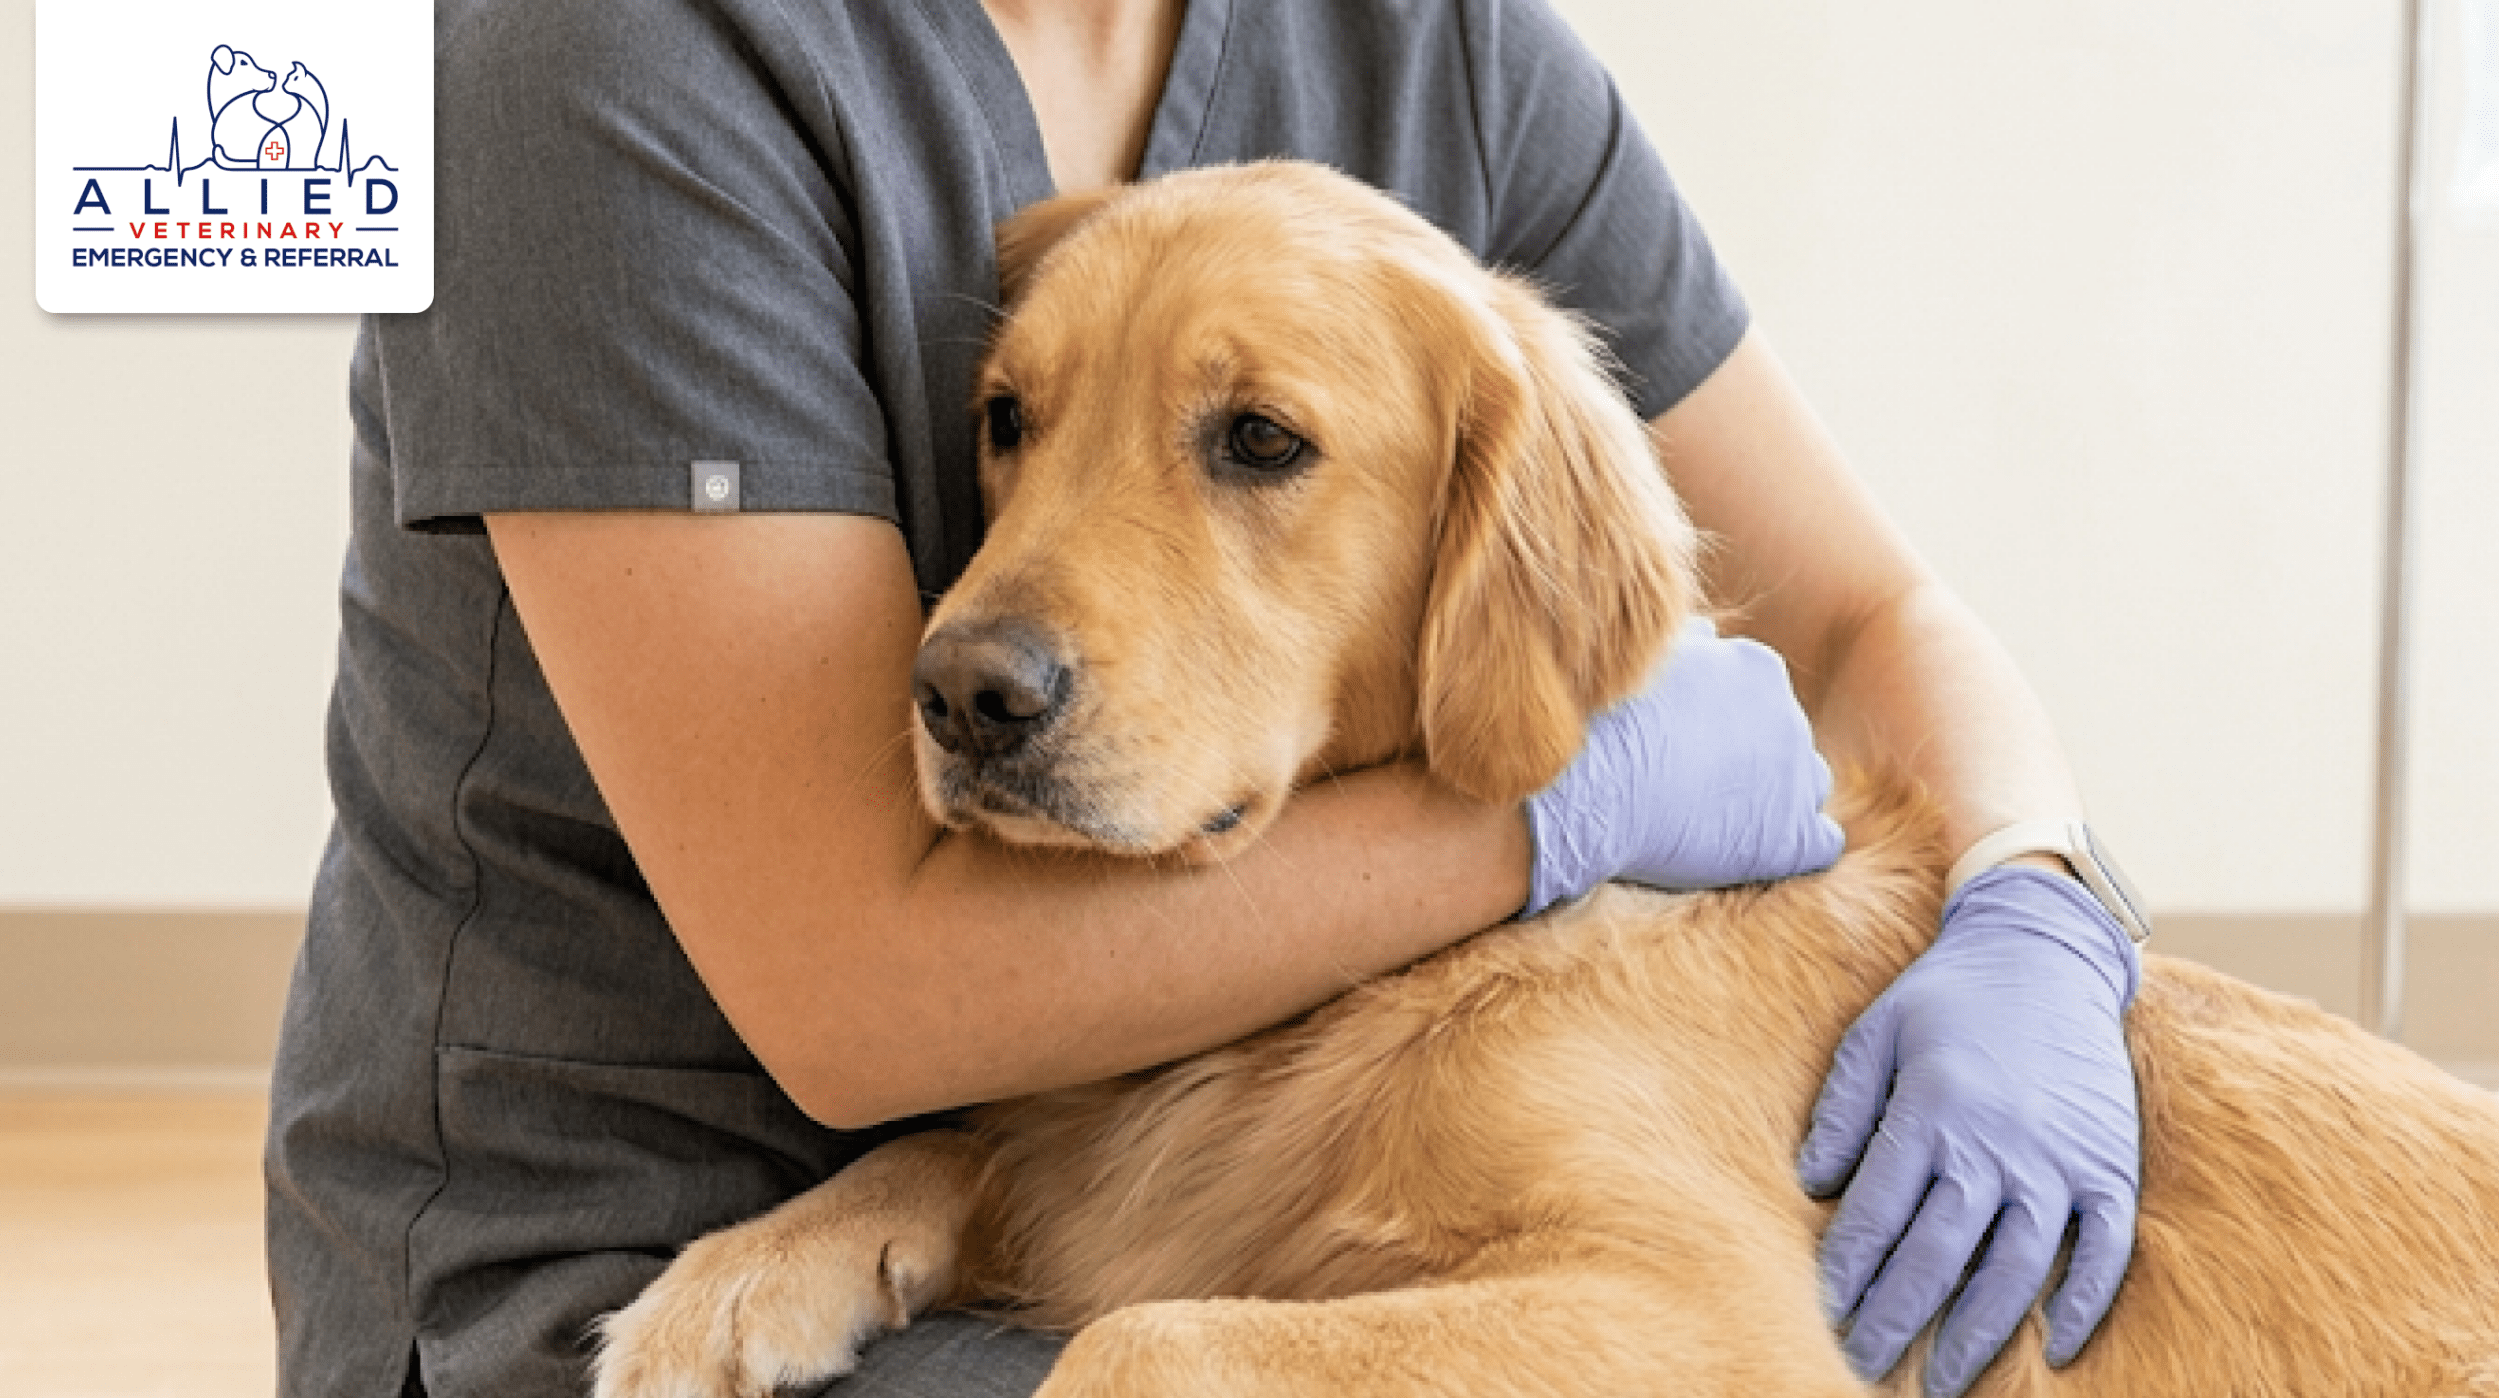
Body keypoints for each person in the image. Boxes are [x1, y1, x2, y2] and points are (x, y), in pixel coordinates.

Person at [264, 1, 2143, 1396]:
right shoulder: (598, 64)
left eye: (1253, 440)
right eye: (1009, 420)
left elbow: (1859, 616)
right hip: (635, 1249)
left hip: (1116, 1188)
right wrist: (1545, 812)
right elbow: (862, 995)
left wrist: (2041, 902)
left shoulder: (1433, 46)